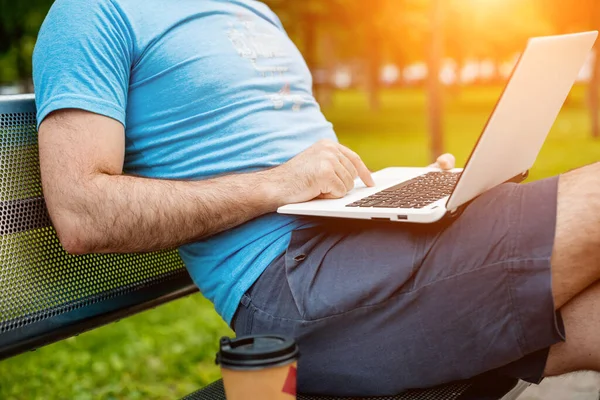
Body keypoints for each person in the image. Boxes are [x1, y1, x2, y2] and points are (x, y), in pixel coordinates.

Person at [32, 0, 600, 396]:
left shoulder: (251, 10)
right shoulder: (92, 11)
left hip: (361, 247)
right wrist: (276, 184)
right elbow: (82, 213)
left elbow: (312, 161)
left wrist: (390, 188)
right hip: (294, 290)